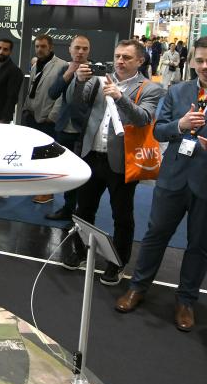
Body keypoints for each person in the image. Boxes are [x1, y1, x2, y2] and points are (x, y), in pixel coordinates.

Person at [114, 37, 207, 330]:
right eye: (200, 60)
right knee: (155, 235)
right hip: (174, 177)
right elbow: (159, 131)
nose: (205, 66)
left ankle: (186, 300)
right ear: (192, 61)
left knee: (200, 243)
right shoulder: (178, 91)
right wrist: (180, 125)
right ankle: (137, 287)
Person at [70, 39, 165, 283]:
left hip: (123, 161)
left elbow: (143, 118)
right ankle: (80, 251)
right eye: (118, 56)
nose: (120, 61)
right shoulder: (99, 79)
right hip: (91, 155)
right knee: (84, 209)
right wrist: (79, 81)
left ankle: (118, 262)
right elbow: (77, 103)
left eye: (127, 57)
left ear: (140, 61)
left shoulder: (150, 88)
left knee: (121, 216)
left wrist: (120, 97)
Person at [45, 34, 91, 221]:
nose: (80, 52)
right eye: (77, 48)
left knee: (83, 173)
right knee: (67, 171)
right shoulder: (65, 68)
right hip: (63, 128)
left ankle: (81, 212)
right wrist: (69, 73)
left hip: (84, 131)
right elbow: (52, 93)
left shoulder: (93, 71)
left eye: (85, 48)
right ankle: (68, 208)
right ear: (70, 49)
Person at [22, 33, 68, 204]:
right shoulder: (36, 64)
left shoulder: (62, 65)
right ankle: (37, 186)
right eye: (37, 46)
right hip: (32, 115)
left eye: (43, 46)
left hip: (47, 119)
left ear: (51, 47)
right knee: (34, 155)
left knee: (48, 157)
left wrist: (52, 116)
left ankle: (48, 192)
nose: (39, 49)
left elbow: (62, 94)